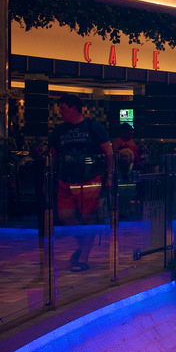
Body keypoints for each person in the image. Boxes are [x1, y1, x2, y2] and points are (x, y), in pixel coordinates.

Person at [49, 94, 113, 272]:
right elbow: (53, 154)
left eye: (63, 108)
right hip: (65, 179)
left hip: (89, 179)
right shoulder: (59, 131)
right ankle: (83, 245)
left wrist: (109, 176)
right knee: (65, 216)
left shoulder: (93, 127)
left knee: (88, 217)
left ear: (74, 108)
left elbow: (108, 152)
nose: (60, 112)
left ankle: (83, 256)